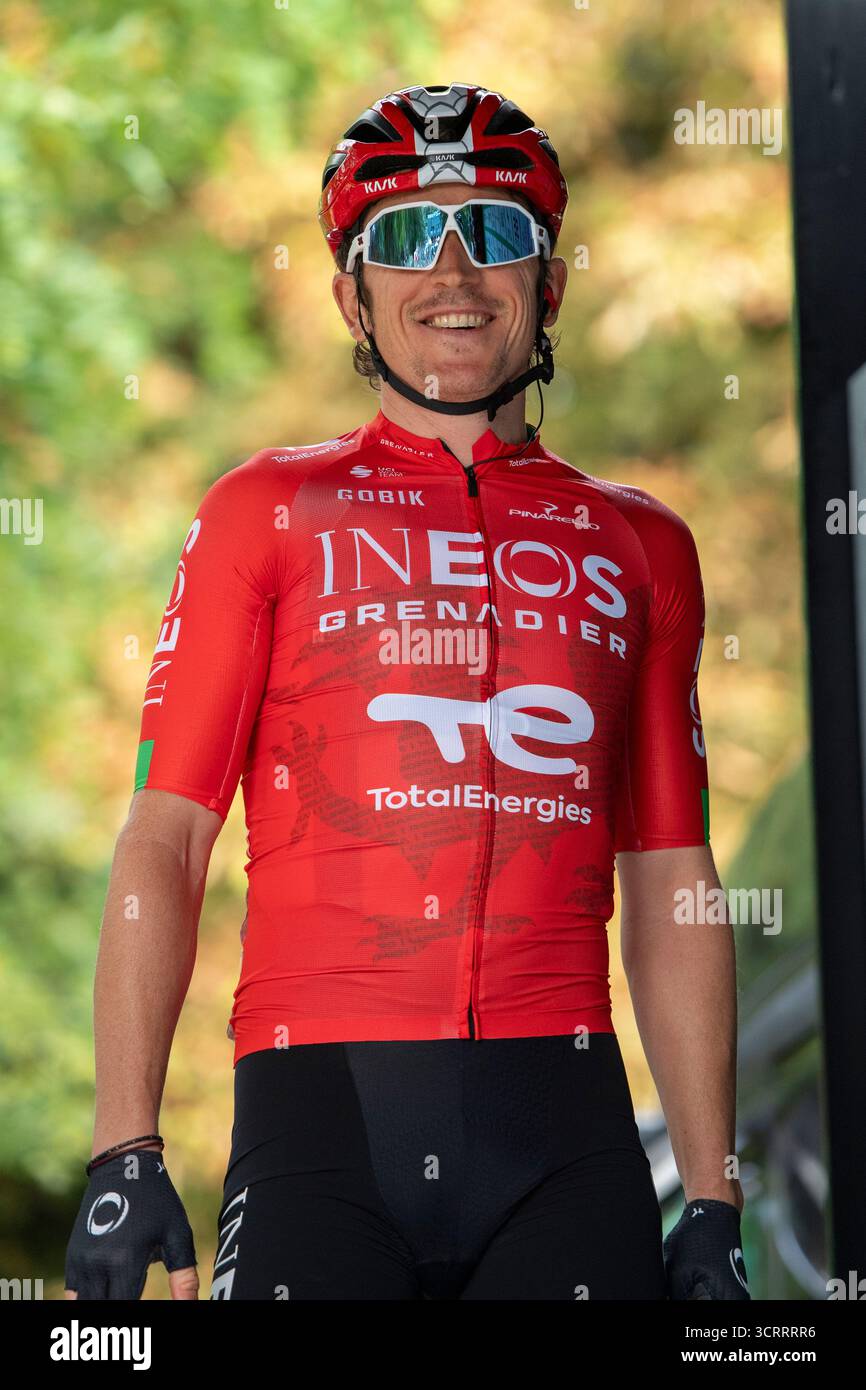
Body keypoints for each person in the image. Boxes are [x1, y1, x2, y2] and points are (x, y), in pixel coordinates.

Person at [65, 82, 747, 1301]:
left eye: (491, 230)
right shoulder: (262, 512)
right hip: (319, 1129)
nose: (450, 270)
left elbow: (672, 879)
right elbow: (165, 837)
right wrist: (126, 1144)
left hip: (568, 1137)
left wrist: (709, 1192)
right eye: (400, 237)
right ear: (349, 294)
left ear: (549, 282)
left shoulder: (640, 543)